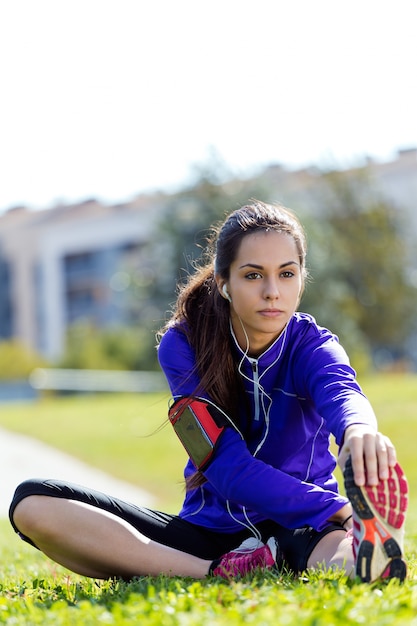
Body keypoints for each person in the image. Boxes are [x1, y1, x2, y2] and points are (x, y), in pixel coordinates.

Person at [9, 200, 408, 583]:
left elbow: (342, 392)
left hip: (299, 524)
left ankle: (364, 556)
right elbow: (225, 467)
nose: (272, 291)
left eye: (287, 274)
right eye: (253, 275)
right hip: (207, 536)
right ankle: (220, 572)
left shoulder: (314, 345)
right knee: (32, 503)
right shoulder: (181, 347)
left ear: (302, 281)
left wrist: (359, 431)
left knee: (335, 550)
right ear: (224, 283)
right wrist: (338, 508)